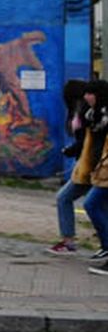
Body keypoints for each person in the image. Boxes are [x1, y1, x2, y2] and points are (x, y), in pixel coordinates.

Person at [49, 78, 108, 254]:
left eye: (91, 93)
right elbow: (89, 143)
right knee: (92, 204)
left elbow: (86, 142)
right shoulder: (92, 115)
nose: (87, 96)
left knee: (87, 203)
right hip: (91, 167)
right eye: (86, 93)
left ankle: (102, 246)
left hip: (101, 169)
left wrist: (72, 150)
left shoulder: (95, 115)